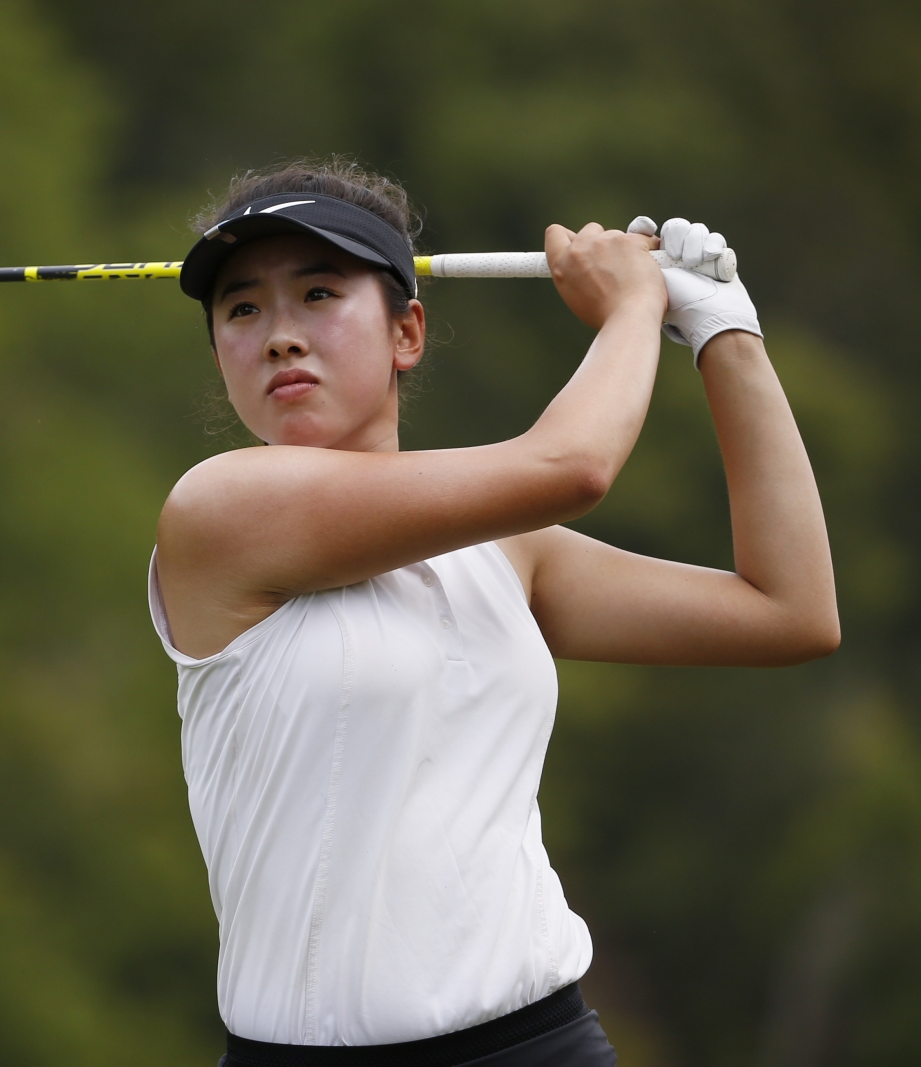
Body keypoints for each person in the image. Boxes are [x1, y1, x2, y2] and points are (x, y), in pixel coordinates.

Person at [148, 160, 839, 1067]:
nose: (280, 335)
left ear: (408, 332)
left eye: (318, 293)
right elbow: (573, 467)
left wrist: (724, 329)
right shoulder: (218, 511)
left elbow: (789, 611)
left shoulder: (508, 555)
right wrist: (632, 307)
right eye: (243, 309)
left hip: (543, 1042)